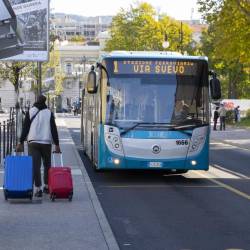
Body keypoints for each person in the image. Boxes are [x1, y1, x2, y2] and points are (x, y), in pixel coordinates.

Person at [16, 95, 61, 198]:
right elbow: (54, 130)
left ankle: (38, 189)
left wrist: (21, 141)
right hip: (46, 142)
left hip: (33, 142)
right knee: (47, 165)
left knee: (35, 166)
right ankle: (46, 186)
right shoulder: (49, 113)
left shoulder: (31, 111)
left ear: (36, 101)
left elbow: (25, 128)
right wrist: (57, 144)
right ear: (45, 102)